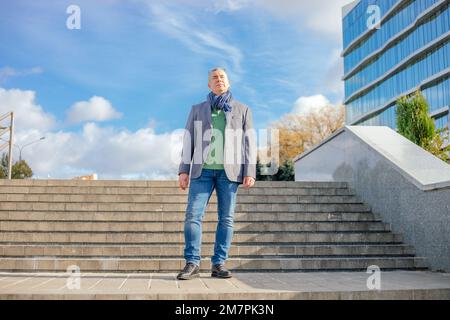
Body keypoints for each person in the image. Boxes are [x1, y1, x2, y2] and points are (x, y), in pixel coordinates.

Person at [177, 67, 257, 280]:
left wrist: (249, 171)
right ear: (209, 85)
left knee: (226, 218)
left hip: (229, 173)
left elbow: (249, 143)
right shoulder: (197, 109)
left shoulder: (243, 109)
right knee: (193, 215)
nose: (219, 79)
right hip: (201, 172)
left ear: (228, 83)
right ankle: (192, 263)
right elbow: (188, 140)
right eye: (214, 77)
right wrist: (183, 170)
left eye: (222, 77)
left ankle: (218, 263)